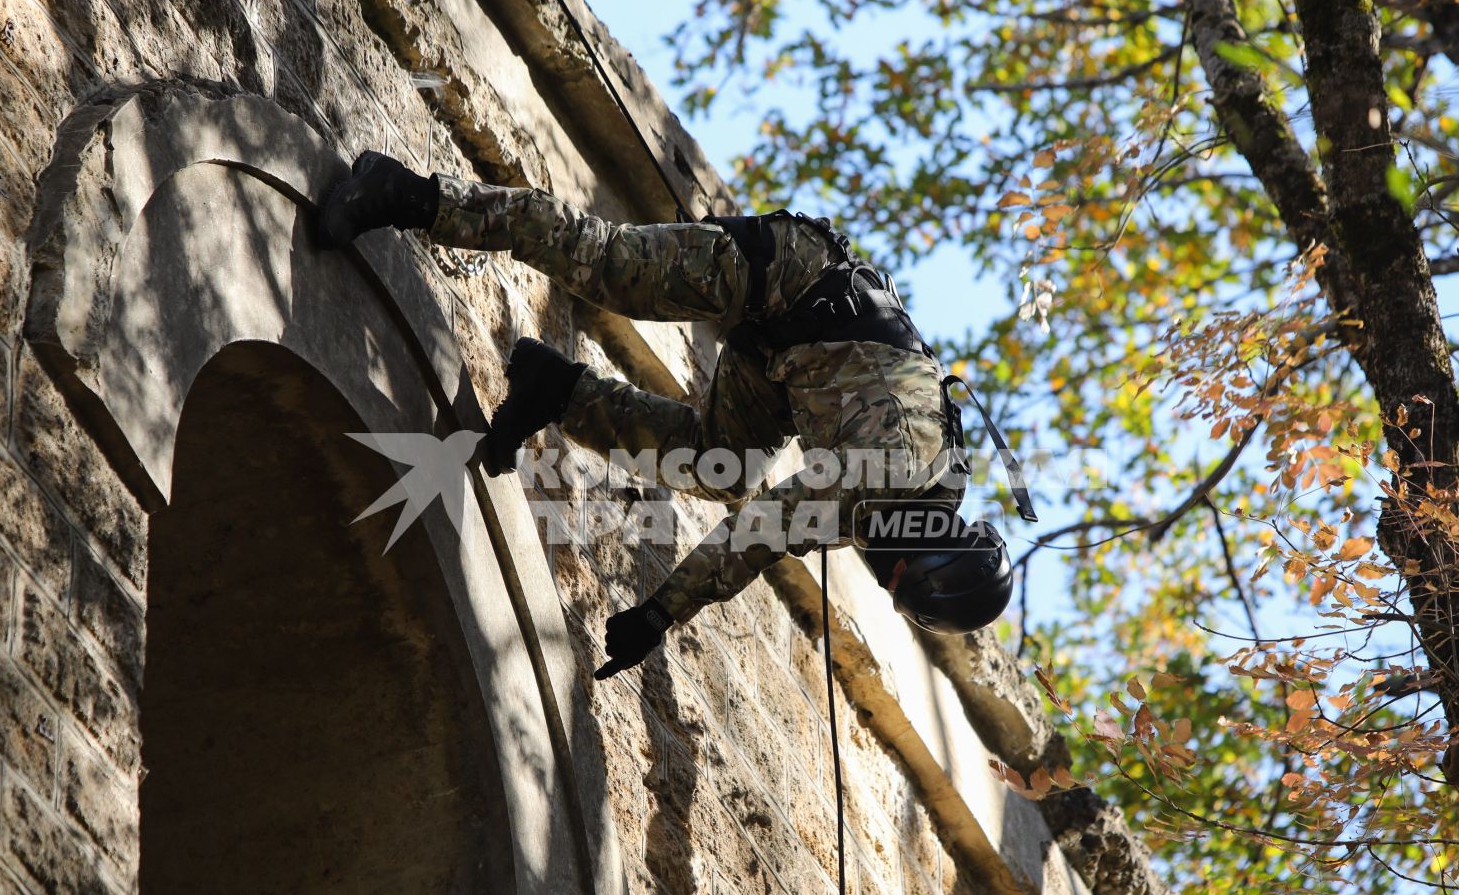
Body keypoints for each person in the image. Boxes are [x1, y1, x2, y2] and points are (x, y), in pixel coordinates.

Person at [315, 153, 1018, 678]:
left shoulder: (897, 504)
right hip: (787, 276)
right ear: (932, 551)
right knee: (610, 267)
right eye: (902, 579)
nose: (883, 576)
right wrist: (662, 612)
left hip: (785, 359)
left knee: (722, 464)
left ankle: (555, 392)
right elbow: (761, 531)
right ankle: (406, 195)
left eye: (894, 590)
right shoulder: (890, 477)